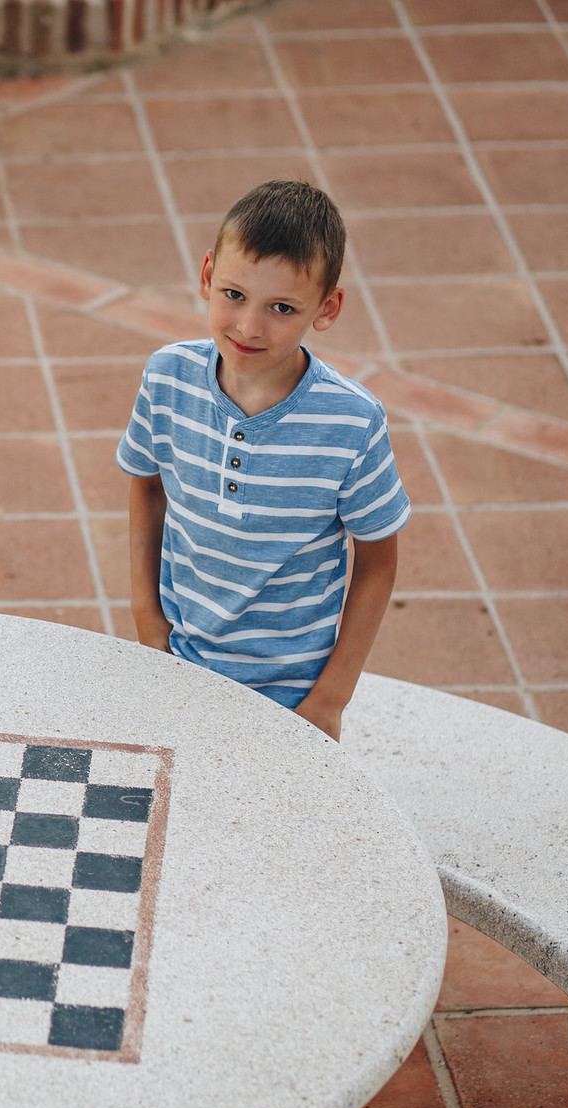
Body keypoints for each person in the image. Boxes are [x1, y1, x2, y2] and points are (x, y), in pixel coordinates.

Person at [118, 179, 407, 741]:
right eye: (233, 294)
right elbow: (146, 486)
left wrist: (329, 699)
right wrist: (147, 621)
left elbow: (379, 563)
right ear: (206, 277)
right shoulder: (167, 376)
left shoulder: (352, 422)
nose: (250, 327)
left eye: (281, 308)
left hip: (293, 691)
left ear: (327, 309)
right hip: (178, 660)